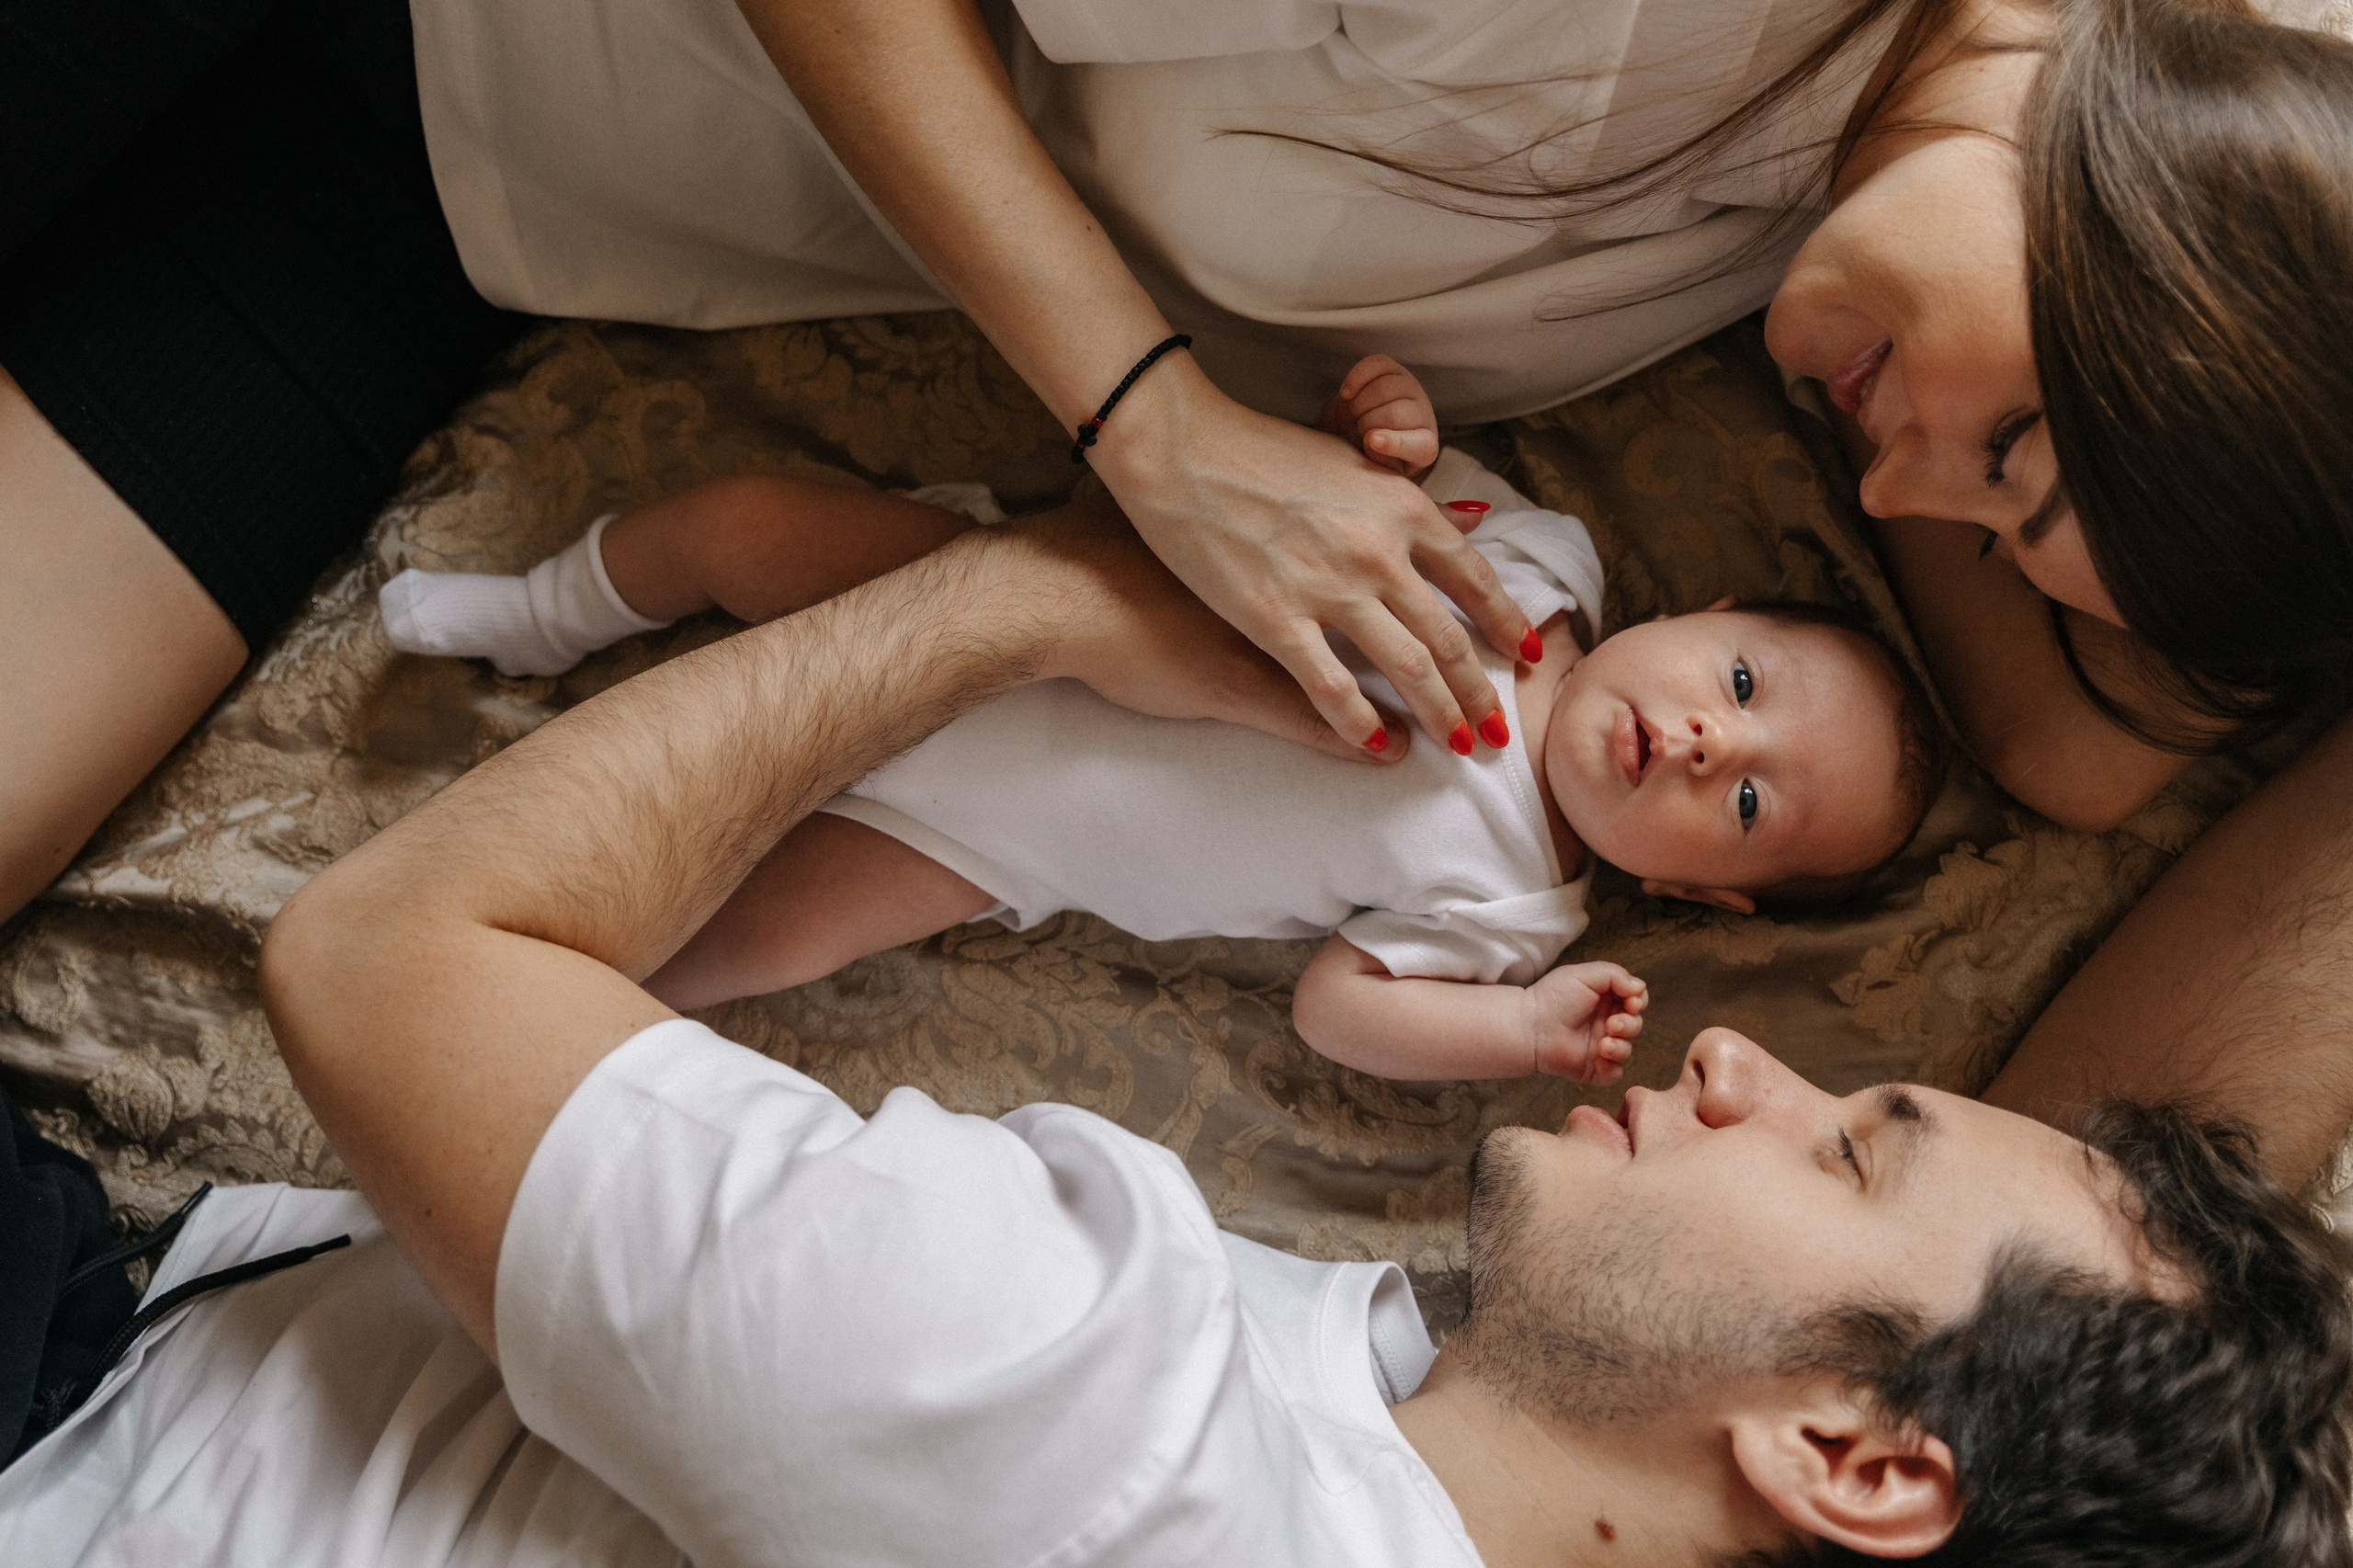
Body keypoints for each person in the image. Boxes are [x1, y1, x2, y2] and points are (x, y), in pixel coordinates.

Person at [7, 0, 2350, 1168]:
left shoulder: (1866, 223)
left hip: (445, 221)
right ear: (2148, 212)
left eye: (1992, 529)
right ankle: (516, 619)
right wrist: (1153, 434)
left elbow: (2046, 741)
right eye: (2013, 438)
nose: (1907, 481)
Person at [6, 516, 2347, 1567]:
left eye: (1844, 1149)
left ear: (1857, 1460)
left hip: (103, 1431)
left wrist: (1019, 604)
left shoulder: (1087, 1439)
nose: (1749, 1066)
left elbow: (374, 958)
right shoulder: (1401, 1432)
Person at [376, 357, 1940, 1085]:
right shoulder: (1533, 562)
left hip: (977, 836)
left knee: (745, 939)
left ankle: (501, 967)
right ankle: (531, 616)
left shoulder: (1515, 907)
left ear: (1697, 893)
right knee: (738, 530)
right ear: (1689, 618)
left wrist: (1518, 1031)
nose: (1715, 744)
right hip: (995, 592)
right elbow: (1327, 505)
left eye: (1750, 804)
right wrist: (1370, 435)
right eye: (1742, 686)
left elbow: (1335, 1008)